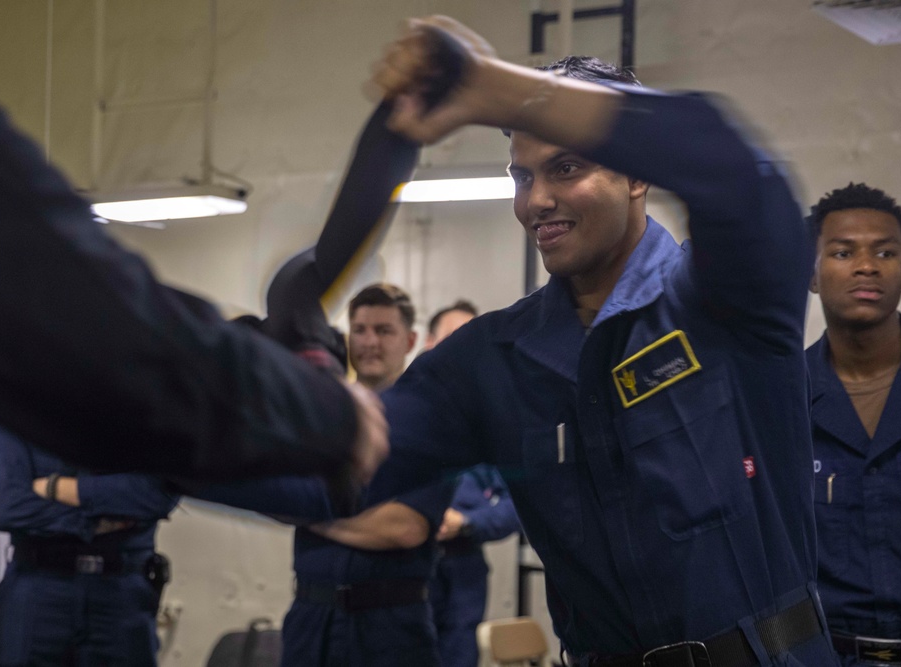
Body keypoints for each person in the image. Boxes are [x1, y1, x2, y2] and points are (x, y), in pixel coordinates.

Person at [368, 16, 837, 666]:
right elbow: (338, 453)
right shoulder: (495, 359)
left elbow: (729, 167)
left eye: (565, 167)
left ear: (638, 175)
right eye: (522, 177)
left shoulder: (726, 299)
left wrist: (496, 88)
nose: (537, 200)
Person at [0, 70, 387, 666]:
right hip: (38, 589)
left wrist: (64, 488)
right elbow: (109, 346)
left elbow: (147, 486)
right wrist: (326, 414)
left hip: (120, 586)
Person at [279, 284, 453, 667]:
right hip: (310, 619)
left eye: (383, 331)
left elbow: (402, 527)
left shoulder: (432, 424)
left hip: (388, 629)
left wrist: (308, 512)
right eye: (360, 330)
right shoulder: (322, 417)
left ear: (409, 340)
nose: (369, 342)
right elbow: (279, 493)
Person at [806, 183, 901, 667]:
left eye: (885, 251)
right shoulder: (780, 403)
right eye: (842, 252)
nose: (866, 265)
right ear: (812, 274)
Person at [0, 423, 180, 666]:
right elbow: (7, 507)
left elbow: (155, 494)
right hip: (38, 588)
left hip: (121, 590)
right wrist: (93, 522)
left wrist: (54, 487)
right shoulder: (20, 401)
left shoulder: (147, 405)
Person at [423, 300, 523, 667]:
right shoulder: (399, 413)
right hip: (403, 567)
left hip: (463, 566)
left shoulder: (495, 427)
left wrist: (466, 522)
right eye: (452, 338)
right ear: (427, 343)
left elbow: (519, 506)